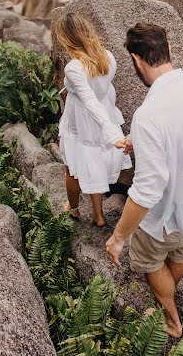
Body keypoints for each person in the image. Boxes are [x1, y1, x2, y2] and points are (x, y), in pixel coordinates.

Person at [106, 23, 183, 338]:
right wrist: (138, 140)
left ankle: (171, 320)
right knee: (182, 253)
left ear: (136, 61)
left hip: (166, 218)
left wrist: (118, 238)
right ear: (167, 51)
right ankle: (169, 296)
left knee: (150, 261)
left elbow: (146, 191)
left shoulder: (149, 114)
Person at [53, 12, 132, 227]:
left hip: (81, 120)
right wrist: (110, 122)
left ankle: (75, 209)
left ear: (67, 39)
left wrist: (111, 132)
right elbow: (106, 90)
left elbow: (88, 100)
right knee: (94, 162)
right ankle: (99, 216)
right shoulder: (108, 56)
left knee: (72, 167)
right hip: (103, 111)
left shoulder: (73, 67)